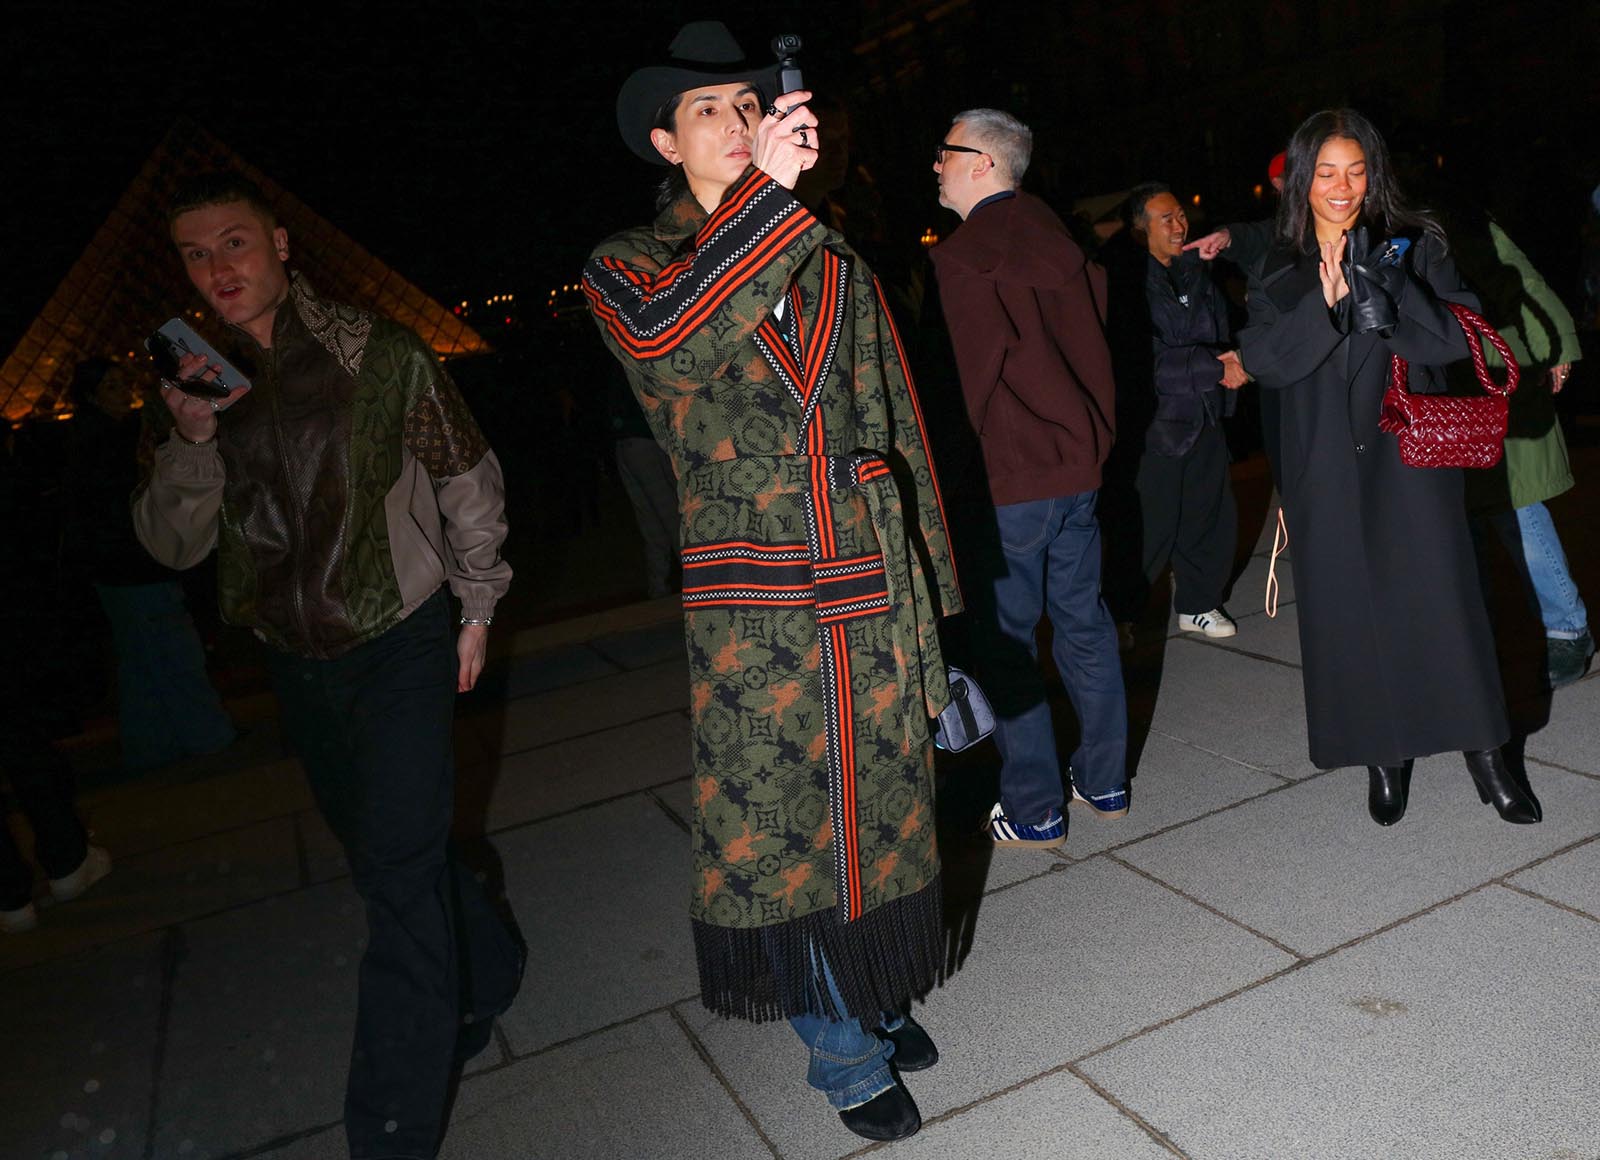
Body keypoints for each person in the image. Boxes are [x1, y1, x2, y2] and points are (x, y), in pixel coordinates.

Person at [582, 22, 963, 1144]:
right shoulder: (627, 263)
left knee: (882, 801)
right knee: (786, 821)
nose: (740, 125)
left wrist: (932, 581)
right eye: (710, 111)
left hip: (867, 570)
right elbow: (668, 345)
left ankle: (874, 994)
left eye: (751, 107)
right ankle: (842, 1052)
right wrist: (772, 205)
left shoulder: (827, 249)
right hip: (758, 598)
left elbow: (892, 413)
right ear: (664, 140)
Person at [133, 172, 523, 1158]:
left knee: (394, 881)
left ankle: (389, 1128)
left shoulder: (373, 351)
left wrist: (477, 605)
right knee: (394, 852)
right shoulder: (193, 382)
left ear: (279, 244)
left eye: (235, 242)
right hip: (295, 661)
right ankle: (492, 956)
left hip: (399, 635)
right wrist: (188, 442)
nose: (217, 268)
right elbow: (172, 547)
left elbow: (465, 475)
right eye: (195, 253)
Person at [1236, 108, 1540, 827]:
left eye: (1356, 170)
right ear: (1301, 179)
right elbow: (1264, 361)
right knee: (1352, 614)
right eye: (1325, 172)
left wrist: (1390, 304)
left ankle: (1487, 756)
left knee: (1445, 606)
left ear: (1374, 175)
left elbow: (1456, 340)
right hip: (1324, 465)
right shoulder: (1277, 264)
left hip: (1411, 453)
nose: (1340, 187)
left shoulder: (1415, 242)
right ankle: (1384, 757)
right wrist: (1328, 303)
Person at [928, 108, 1129, 840]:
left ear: (981, 162)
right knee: (1084, 625)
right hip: (1079, 469)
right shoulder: (1062, 243)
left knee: (1008, 647)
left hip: (1013, 482)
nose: (936, 168)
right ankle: (1105, 782)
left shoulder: (963, 258)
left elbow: (967, 392)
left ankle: (1036, 807)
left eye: (944, 154)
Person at [62, 360, 238, 773]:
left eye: (121, 381)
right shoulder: (112, 442)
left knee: (141, 663)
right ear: (91, 397)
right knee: (176, 654)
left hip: (113, 572)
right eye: (111, 385)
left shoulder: (88, 439)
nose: (123, 389)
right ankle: (209, 736)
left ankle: (150, 748)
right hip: (136, 567)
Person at [1114, 182, 1246, 639]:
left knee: (1208, 516)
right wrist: (1215, 367)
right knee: (1151, 526)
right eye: (1165, 218)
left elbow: (1220, 328)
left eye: (1181, 215)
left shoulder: (1195, 269)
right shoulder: (1126, 283)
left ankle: (1199, 604)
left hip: (1206, 414)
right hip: (1158, 426)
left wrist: (1229, 364)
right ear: (1139, 229)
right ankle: (1119, 617)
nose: (1179, 224)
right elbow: (1141, 361)